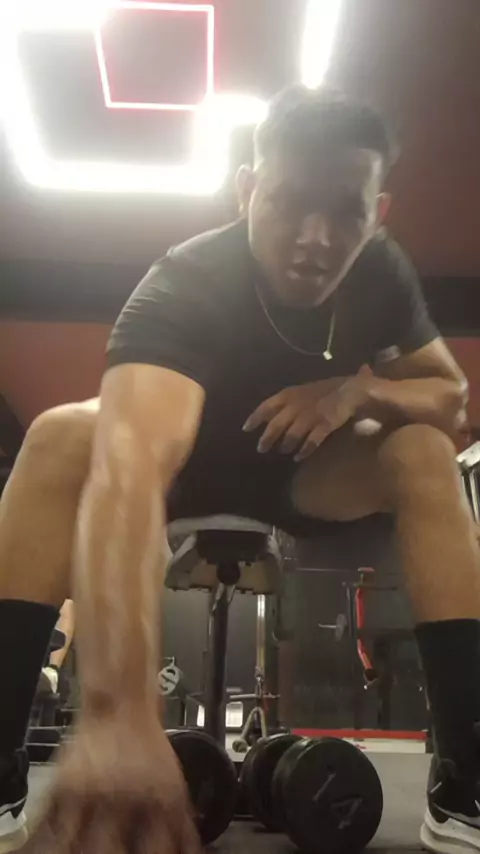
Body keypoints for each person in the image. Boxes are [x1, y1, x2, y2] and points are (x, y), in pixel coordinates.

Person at [0, 85, 477, 854]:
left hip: (303, 470)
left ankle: (466, 785)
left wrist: (357, 390)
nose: (317, 238)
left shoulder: (381, 272)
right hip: (183, 463)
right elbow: (131, 469)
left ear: (378, 211)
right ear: (247, 188)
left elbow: (449, 397)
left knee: (424, 449)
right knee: (62, 435)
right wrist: (119, 713)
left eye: (346, 213)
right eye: (289, 203)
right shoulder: (187, 280)